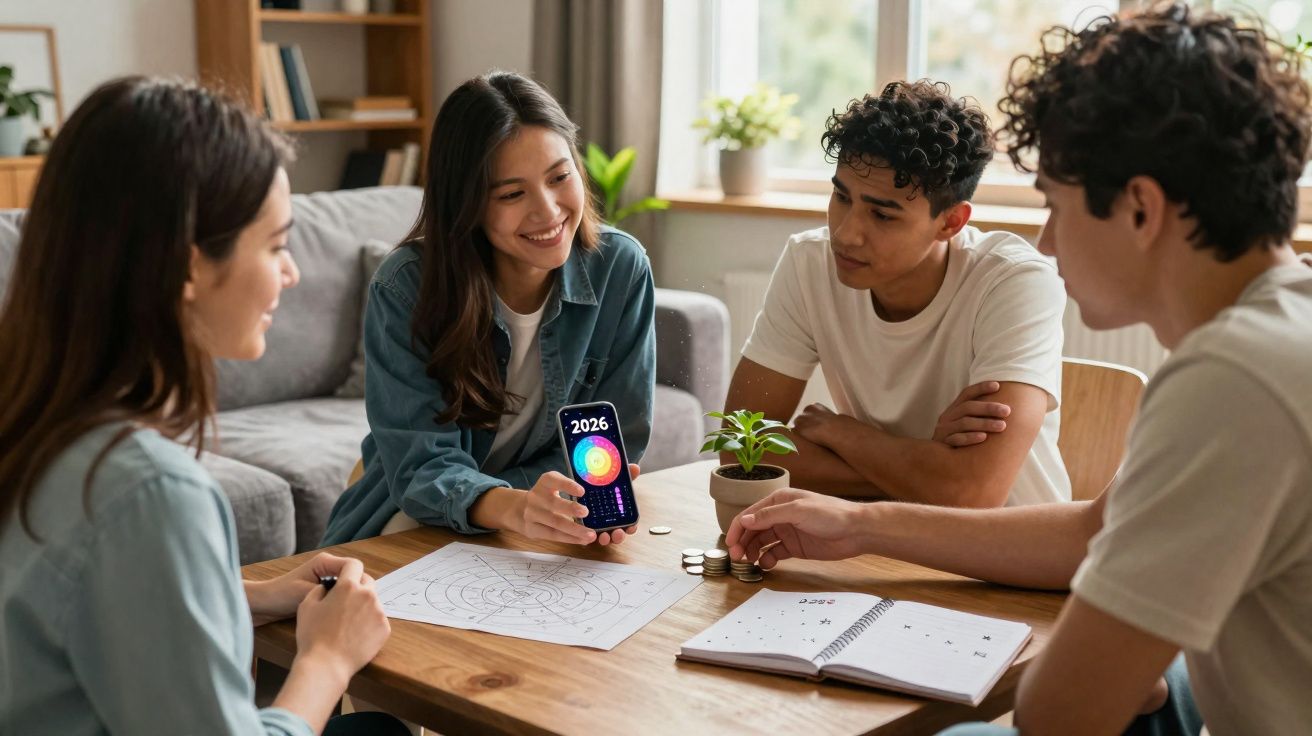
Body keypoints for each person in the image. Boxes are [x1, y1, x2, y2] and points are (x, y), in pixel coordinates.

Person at [729, 5, 1312, 734]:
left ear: (1140, 209)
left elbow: (1056, 715)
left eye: (1057, 206)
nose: (1048, 240)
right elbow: (1094, 531)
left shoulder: (1233, 382)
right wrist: (861, 526)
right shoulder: (1282, 329)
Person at [0, 78, 407, 735]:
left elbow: (81, 605)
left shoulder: (35, 424)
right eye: (276, 246)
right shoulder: (150, 492)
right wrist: (326, 658)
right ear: (189, 267)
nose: (291, 274)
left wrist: (246, 595)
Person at [322, 72, 654, 547]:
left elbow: (615, 439)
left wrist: (539, 506)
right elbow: (421, 468)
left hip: (547, 517)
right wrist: (514, 506)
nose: (548, 212)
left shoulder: (620, 269)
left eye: (560, 177)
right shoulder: (405, 288)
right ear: (469, 204)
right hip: (418, 517)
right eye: (512, 194)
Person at [723, 79, 1070, 507]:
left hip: (1009, 557)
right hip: (879, 539)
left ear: (951, 222)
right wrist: (929, 467)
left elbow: (972, 491)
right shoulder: (809, 262)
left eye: (882, 216)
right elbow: (740, 447)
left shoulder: (1014, 282)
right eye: (841, 196)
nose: (846, 234)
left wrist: (849, 437)